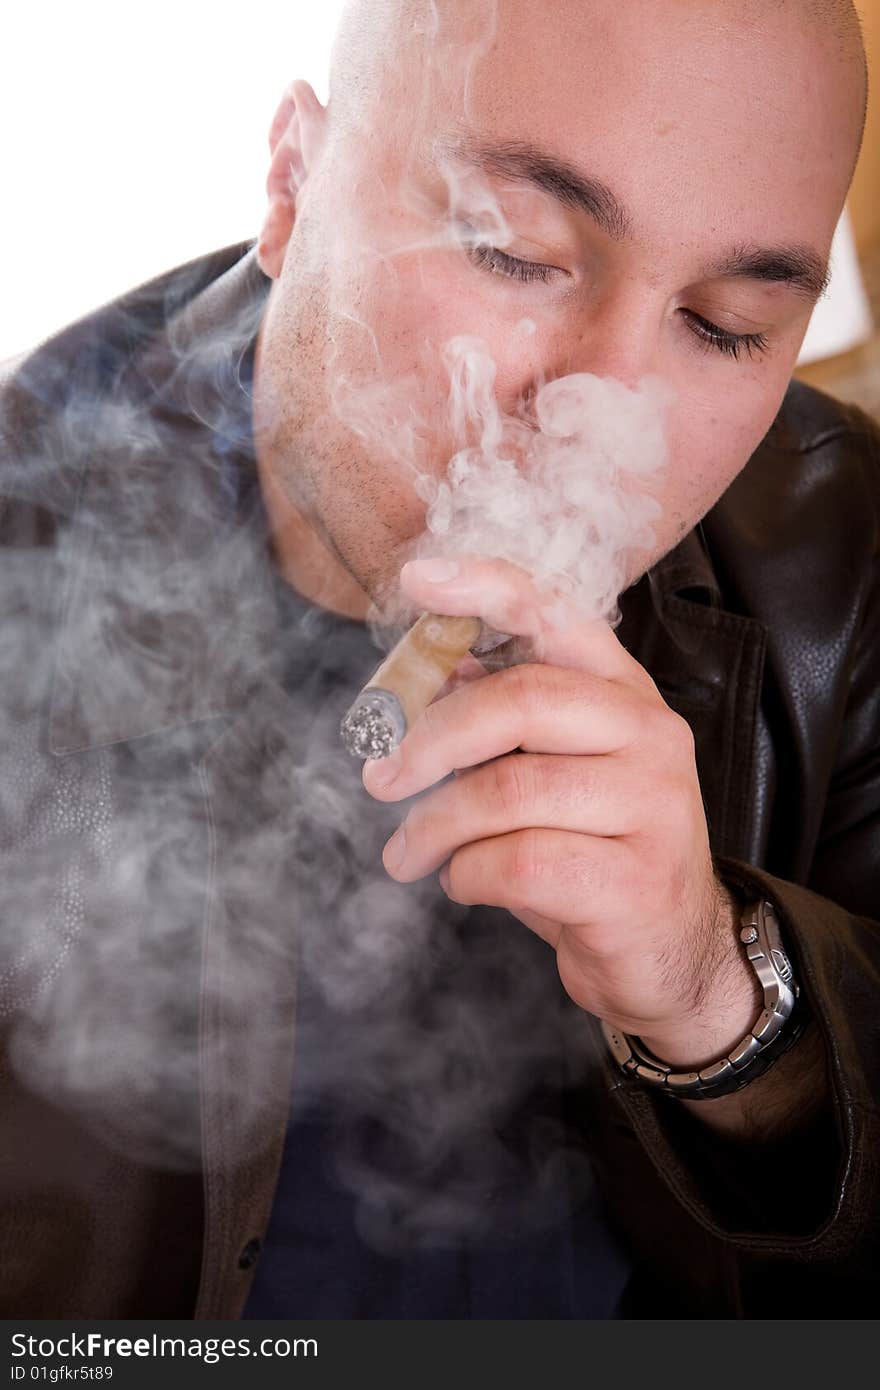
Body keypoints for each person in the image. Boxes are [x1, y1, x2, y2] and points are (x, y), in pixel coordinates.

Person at [0, 0, 877, 1318]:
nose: (603, 419)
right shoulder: (29, 529)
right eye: (512, 251)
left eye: (723, 328)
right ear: (295, 180)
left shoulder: (849, 557)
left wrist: (724, 999)